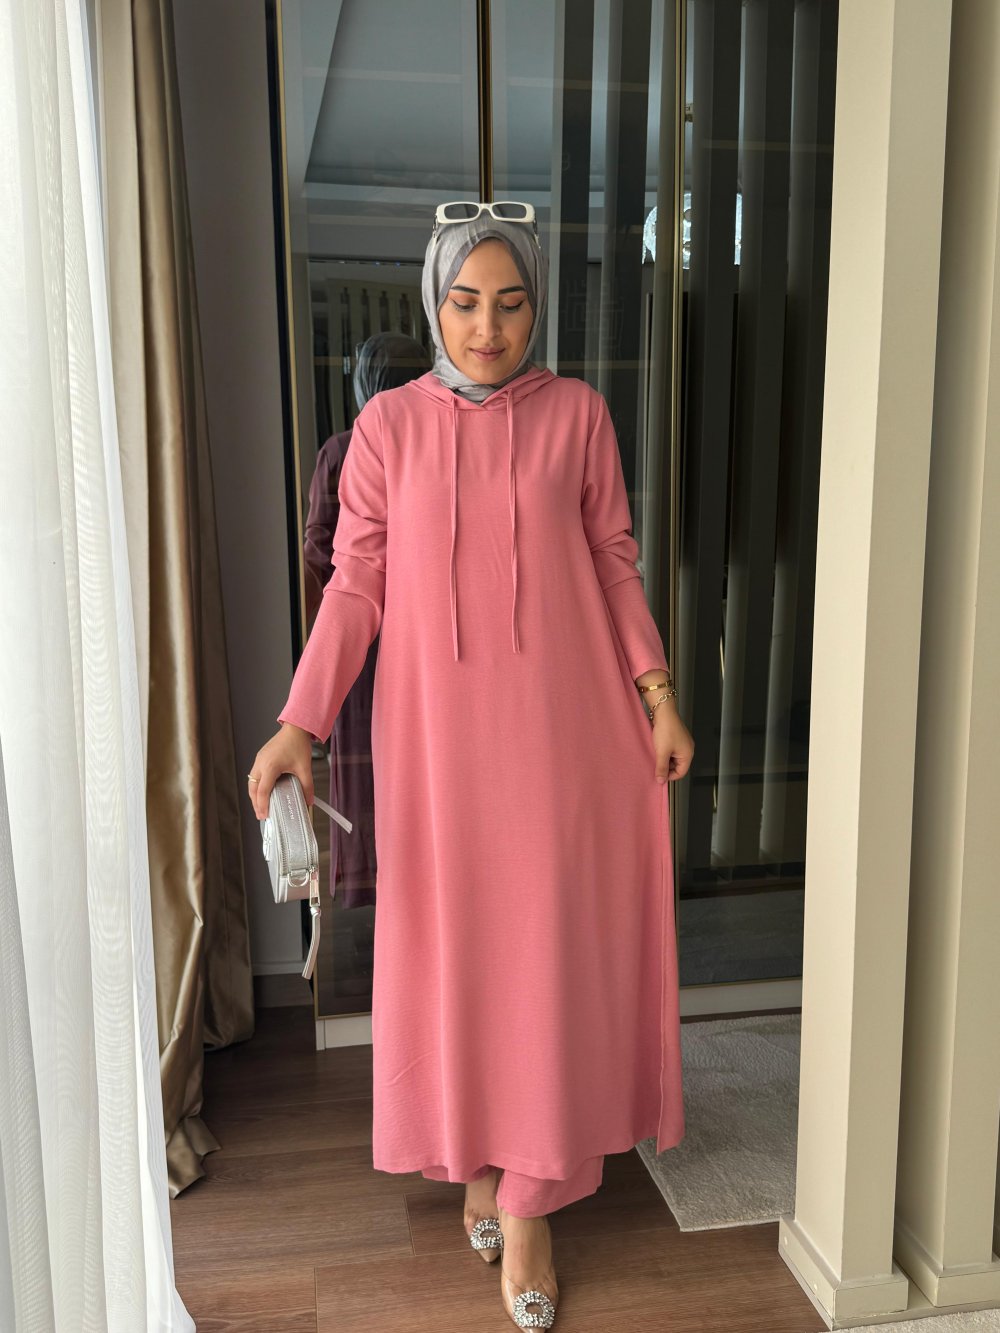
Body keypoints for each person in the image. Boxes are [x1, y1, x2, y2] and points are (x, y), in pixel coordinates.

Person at [248, 200, 695, 1330]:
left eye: (510, 304)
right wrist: (301, 722)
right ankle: (482, 1159)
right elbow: (356, 584)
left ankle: (533, 1197)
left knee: (545, 954)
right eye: (464, 303)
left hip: (567, 738)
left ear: (536, 310)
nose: (487, 328)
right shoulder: (386, 430)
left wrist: (657, 696)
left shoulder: (578, 415)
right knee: (468, 958)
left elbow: (613, 560)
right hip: (439, 749)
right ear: (433, 305)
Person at [302, 332, 430, 912]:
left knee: (370, 766)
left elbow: (317, 557)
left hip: (368, 638)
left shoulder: (342, 450)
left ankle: (376, 886)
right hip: (412, 637)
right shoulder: (428, 444)